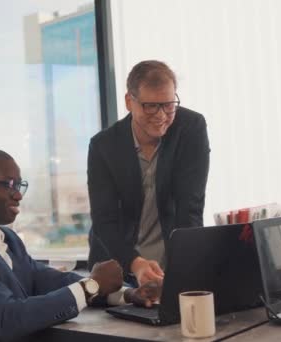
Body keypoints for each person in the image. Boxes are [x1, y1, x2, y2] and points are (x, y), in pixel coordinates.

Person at [0, 148, 160, 342]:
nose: (18, 196)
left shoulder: (7, 238)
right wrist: (91, 286)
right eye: (8, 185)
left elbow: (49, 280)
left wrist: (125, 294)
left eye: (19, 185)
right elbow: (5, 320)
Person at [87, 60, 210, 287]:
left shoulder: (190, 128)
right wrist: (135, 263)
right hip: (115, 269)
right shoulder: (103, 146)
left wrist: (186, 271)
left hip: (169, 265)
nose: (161, 116)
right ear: (129, 102)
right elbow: (104, 222)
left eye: (169, 105)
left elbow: (190, 208)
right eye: (150, 106)